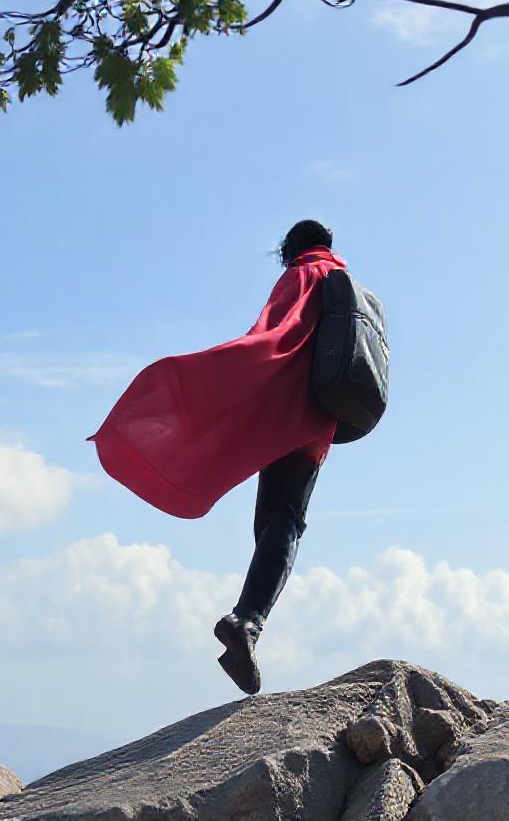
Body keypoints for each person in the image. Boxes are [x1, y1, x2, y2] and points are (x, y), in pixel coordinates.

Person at [88, 220, 345, 695]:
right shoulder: (346, 285)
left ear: (292, 250)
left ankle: (246, 623)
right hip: (318, 424)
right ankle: (247, 622)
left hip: (287, 417)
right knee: (281, 522)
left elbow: (273, 335)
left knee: (279, 522)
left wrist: (217, 371)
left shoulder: (303, 275)